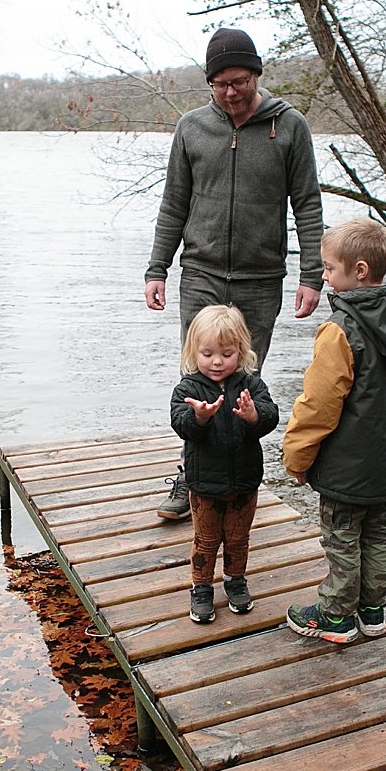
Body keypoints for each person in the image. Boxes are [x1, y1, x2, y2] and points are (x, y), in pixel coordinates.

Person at [145, 27, 324, 521]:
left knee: (245, 381)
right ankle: (191, 478)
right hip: (200, 270)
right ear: (210, 83)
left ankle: (242, 481)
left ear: (257, 75)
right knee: (198, 376)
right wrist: (157, 268)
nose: (230, 92)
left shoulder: (289, 128)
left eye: (239, 81)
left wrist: (312, 274)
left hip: (260, 276)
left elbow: (307, 203)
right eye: (220, 84)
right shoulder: (192, 129)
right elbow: (173, 203)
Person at [281, 219, 386, 644]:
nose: (323, 276)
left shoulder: (339, 330)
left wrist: (297, 456)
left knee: (341, 536)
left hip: (345, 463)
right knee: (376, 530)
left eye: (328, 268)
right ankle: (373, 611)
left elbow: (318, 405)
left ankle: (336, 616)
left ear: (358, 271)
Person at [170, 304, 280, 623]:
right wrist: (199, 417)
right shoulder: (187, 389)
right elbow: (180, 424)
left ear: (242, 351)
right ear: (194, 352)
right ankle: (201, 587)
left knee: (238, 538)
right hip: (204, 485)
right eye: (207, 353)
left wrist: (253, 415)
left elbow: (270, 416)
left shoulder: (252, 385)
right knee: (205, 541)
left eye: (227, 353)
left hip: (244, 482)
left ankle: (235, 580)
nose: (217, 361)